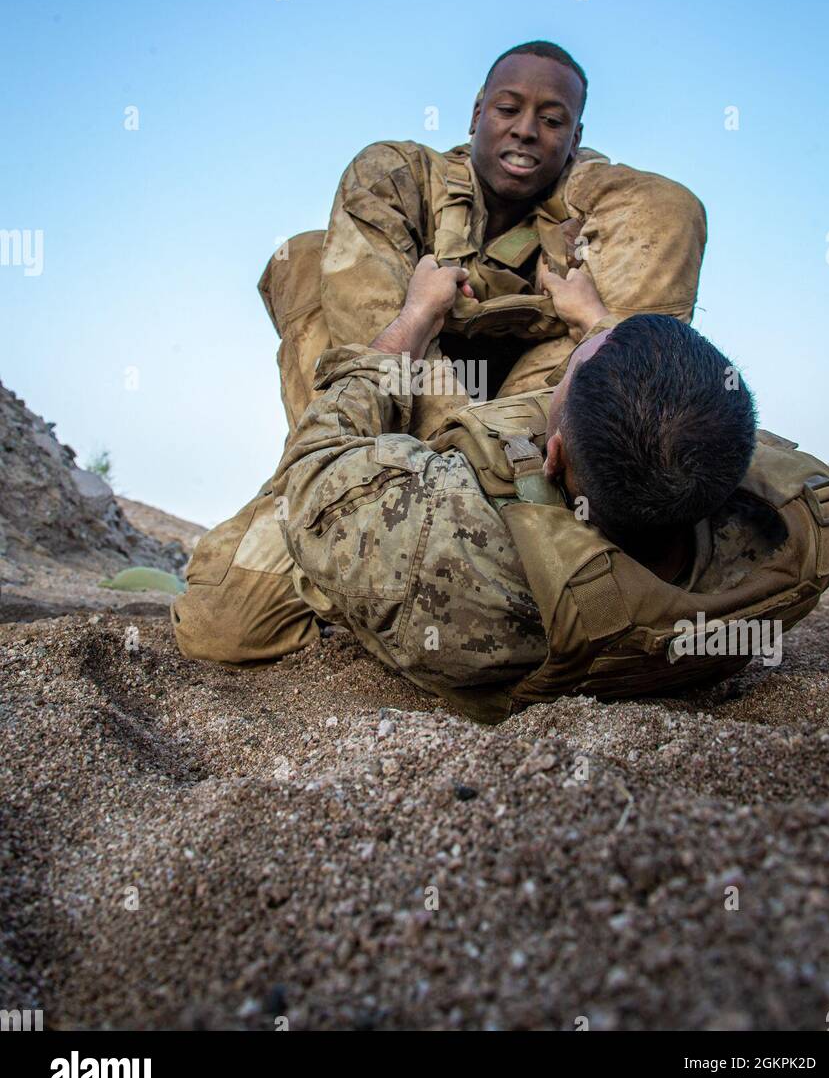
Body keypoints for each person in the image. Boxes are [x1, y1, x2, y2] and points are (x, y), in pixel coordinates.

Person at [172, 40, 707, 664]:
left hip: (533, 443)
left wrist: (592, 321)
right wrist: (421, 316)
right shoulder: (397, 177)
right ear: (476, 112)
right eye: (508, 108)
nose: (527, 130)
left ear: (577, 134)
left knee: (668, 216)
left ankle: (462, 548)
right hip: (391, 432)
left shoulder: (594, 207)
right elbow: (362, 357)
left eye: (553, 120)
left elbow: (652, 280)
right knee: (224, 626)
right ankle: (392, 551)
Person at [259, 256, 829, 722]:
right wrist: (596, 321)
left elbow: (314, 464)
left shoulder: (445, 542)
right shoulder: (810, 527)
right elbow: (677, 420)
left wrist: (416, 317)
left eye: (561, 378)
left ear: (554, 453)